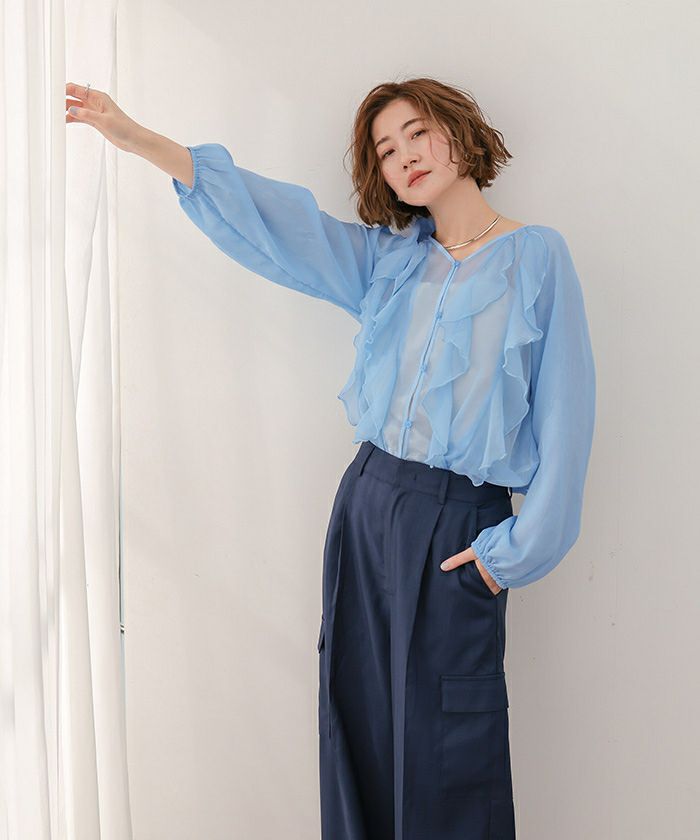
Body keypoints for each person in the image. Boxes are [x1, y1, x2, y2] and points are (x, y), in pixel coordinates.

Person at [66, 75, 596, 839]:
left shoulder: (537, 257)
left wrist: (509, 554)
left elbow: (567, 416)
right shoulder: (389, 263)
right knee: (359, 727)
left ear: (459, 132)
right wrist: (141, 141)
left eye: (418, 132)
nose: (405, 155)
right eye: (386, 149)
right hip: (368, 507)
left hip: (458, 528)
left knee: (450, 745)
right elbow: (282, 225)